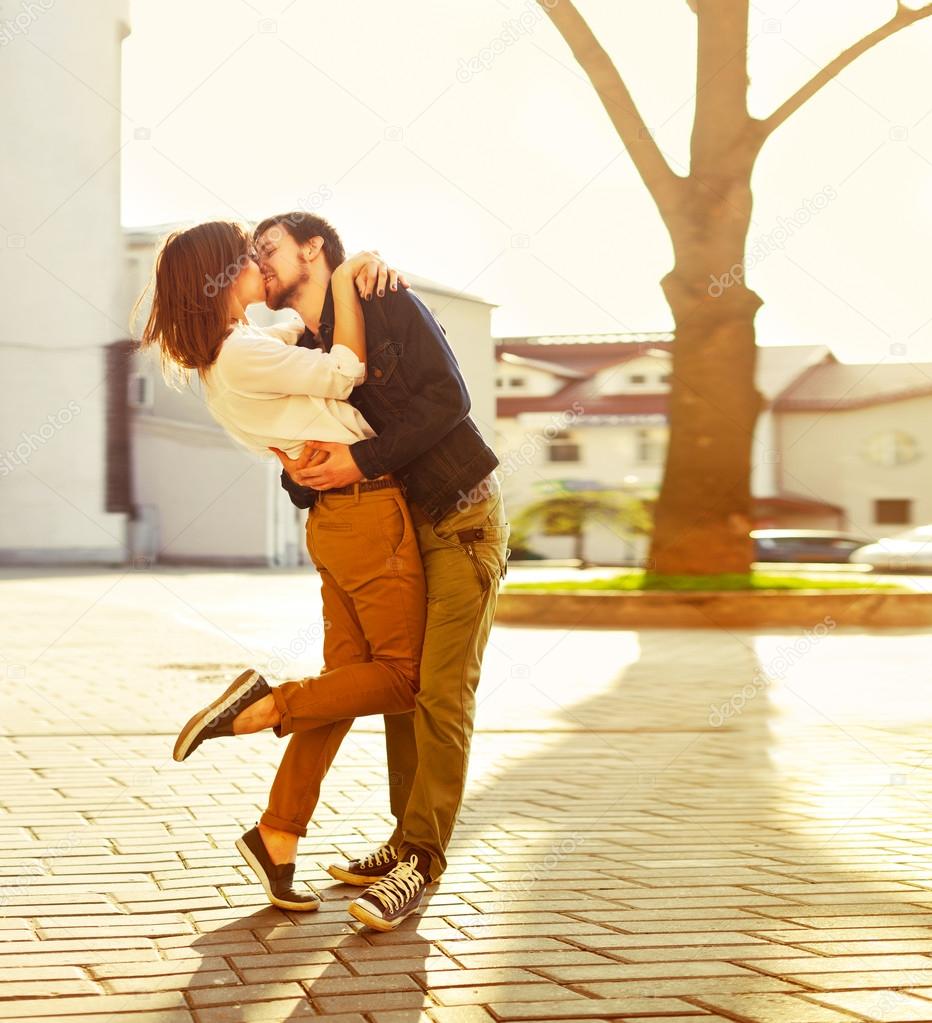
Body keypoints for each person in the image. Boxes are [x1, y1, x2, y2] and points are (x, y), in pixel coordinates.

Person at [136, 220, 427, 913]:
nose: (256, 268)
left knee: (348, 685)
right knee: (402, 677)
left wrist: (344, 280)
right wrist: (354, 268)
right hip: (366, 512)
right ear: (218, 278)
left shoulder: (236, 351)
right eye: (245, 259)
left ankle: (278, 834)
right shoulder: (238, 353)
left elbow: (304, 337)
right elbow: (345, 368)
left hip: (340, 521)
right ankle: (260, 706)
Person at [255, 211, 509, 931]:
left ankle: (421, 863)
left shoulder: (384, 298)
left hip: (459, 518)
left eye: (267, 249)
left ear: (314, 249)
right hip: (395, 535)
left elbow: (446, 401)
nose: (258, 262)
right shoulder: (304, 350)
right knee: (404, 686)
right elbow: (310, 468)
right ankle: (405, 842)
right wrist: (306, 474)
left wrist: (359, 461)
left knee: (440, 693)